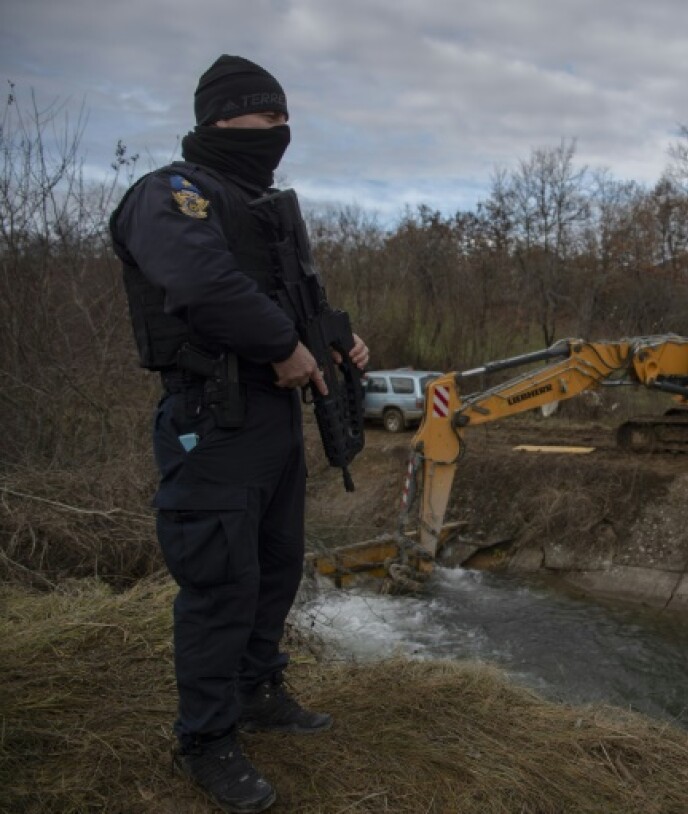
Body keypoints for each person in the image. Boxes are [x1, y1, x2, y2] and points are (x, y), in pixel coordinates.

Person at [110, 55, 370, 813]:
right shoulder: (170, 195)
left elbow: (295, 299)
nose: (281, 132)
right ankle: (206, 739)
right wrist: (285, 348)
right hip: (212, 419)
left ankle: (258, 692)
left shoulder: (261, 205)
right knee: (220, 582)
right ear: (221, 119)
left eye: (286, 120)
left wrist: (337, 345)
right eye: (268, 119)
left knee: (274, 567)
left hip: (273, 419)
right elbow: (203, 286)